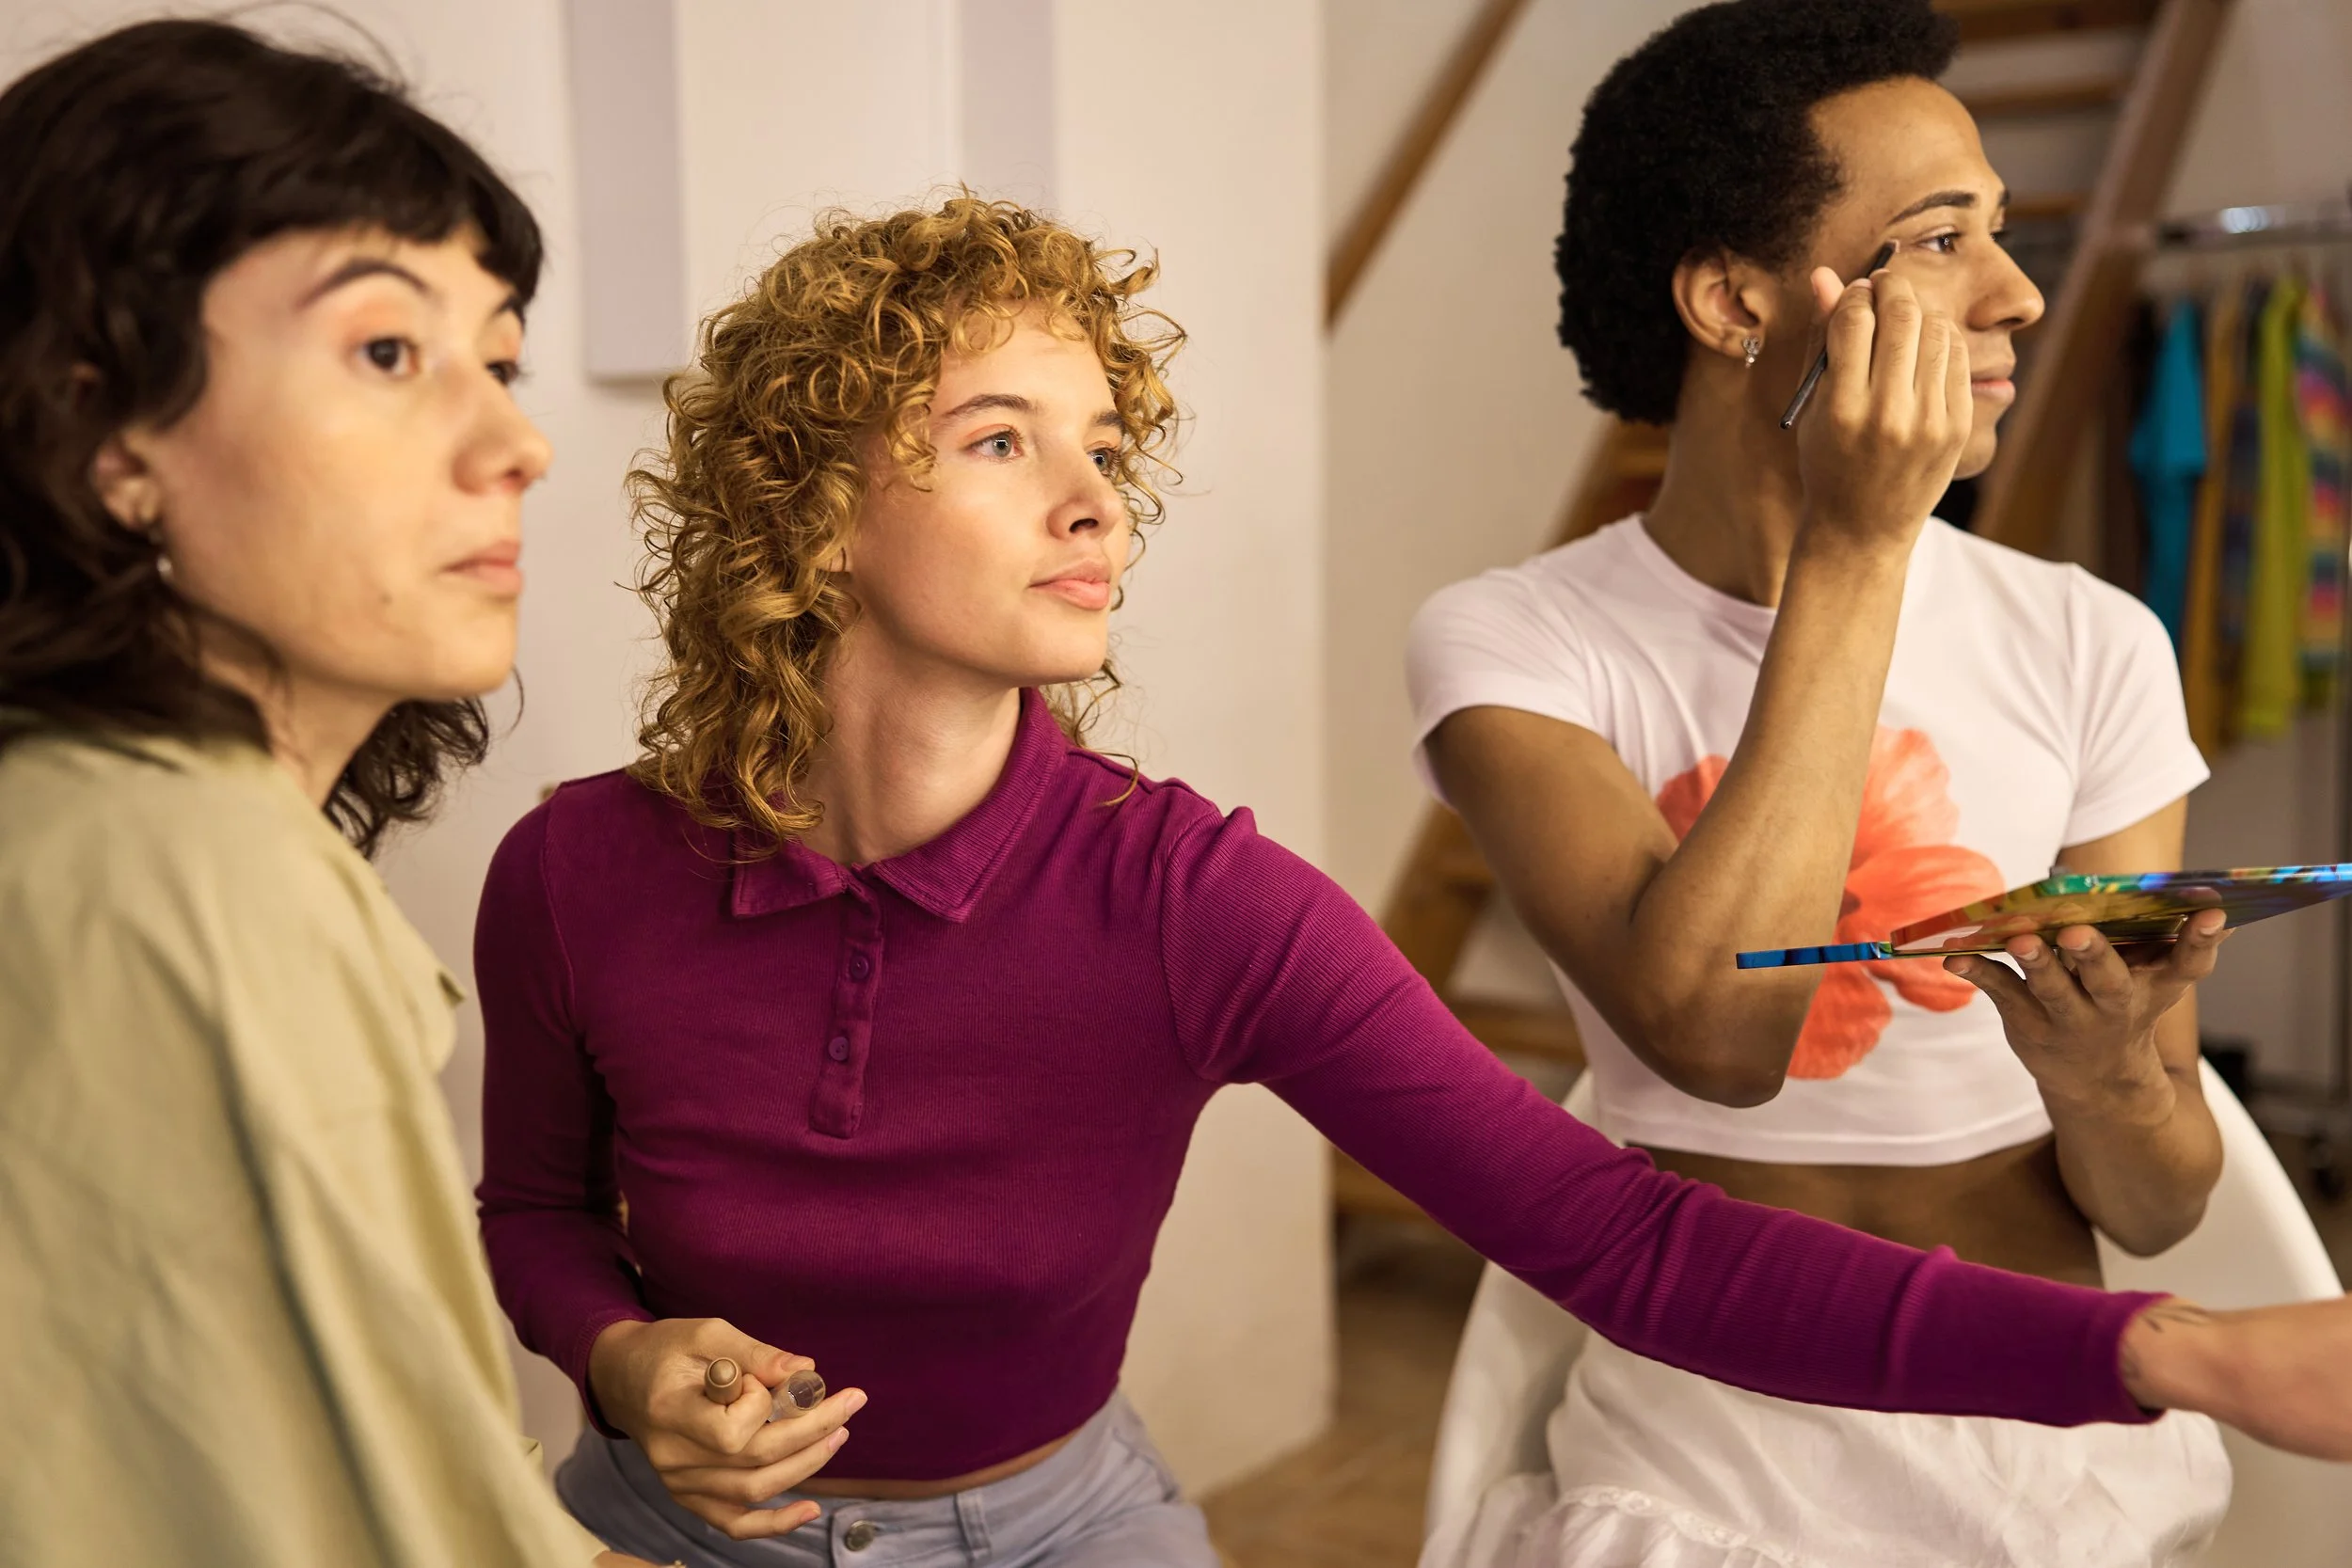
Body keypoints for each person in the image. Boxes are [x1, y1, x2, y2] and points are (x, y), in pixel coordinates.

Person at [474, 196, 2352, 1568]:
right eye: (998, 442)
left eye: (1106, 449)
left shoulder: (1190, 900)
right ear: (806, 508)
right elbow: (537, 1207)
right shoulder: (574, 870)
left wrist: (2164, 1345)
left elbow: (1629, 1242)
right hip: (652, 1528)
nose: (1094, 501)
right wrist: (625, 1353)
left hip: (1060, 1534)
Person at [1406, 2, 2270, 1563]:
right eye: (1942, 242)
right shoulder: (1516, 643)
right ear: (1737, 301)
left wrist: (2102, 1077)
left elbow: (2156, 1206)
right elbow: (1721, 1039)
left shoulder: (2090, 640)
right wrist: (1864, 543)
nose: (2016, 291)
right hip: (1705, 1444)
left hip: (2047, 1422)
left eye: (2000, 232)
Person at [0, 21, 660, 1567]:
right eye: (387, 351)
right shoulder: (188, 872)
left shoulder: (104, 816)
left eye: (497, 358)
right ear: (106, 430)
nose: (519, 440)